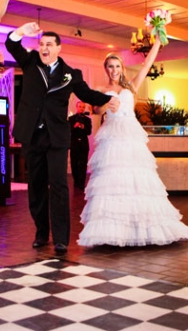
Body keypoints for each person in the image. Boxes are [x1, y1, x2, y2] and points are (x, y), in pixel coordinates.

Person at [6, 22, 119, 255]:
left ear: (58, 48)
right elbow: (11, 44)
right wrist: (20, 32)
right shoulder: (30, 63)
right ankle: (40, 232)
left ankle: (60, 239)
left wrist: (108, 99)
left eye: (49, 44)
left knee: (58, 186)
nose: (44, 48)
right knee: (36, 186)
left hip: (56, 137)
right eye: (41, 44)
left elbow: (87, 94)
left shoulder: (71, 74)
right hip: (32, 135)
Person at [78, 39, 188, 247]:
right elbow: (96, 111)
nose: (114, 70)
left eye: (117, 66)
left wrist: (157, 41)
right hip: (112, 136)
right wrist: (107, 104)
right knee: (114, 182)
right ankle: (114, 231)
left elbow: (147, 63)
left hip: (131, 135)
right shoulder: (100, 89)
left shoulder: (131, 85)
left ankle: (141, 228)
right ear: (106, 69)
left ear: (122, 68)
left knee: (137, 182)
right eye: (110, 66)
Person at [68, 101, 92, 190]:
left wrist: (83, 127)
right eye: (80, 107)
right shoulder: (71, 119)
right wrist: (74, 126)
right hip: (74, 144)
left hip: (83, 145)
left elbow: (89, 132)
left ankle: (81, 183)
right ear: (76, 107)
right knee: (74, 163)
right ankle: (76, 181)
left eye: (83, 107)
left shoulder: (87, 120)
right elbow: (68, 130)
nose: (81, 108)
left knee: (83, 164)